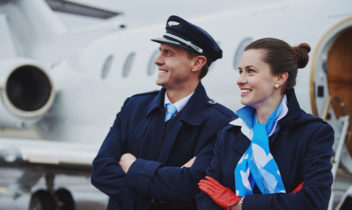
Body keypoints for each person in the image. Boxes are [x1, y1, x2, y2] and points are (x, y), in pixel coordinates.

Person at [91, 15, 235, 210]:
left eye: (168, 53)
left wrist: (132, 167)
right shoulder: (133, 107)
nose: (158, 61)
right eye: (160, 52)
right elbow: (101, 170)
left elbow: (193, 186)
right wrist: (153, 200)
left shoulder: (221, 124)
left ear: (197, 63)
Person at [196, 38, 334, 210]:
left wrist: (238, 205)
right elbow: (206, 193)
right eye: (240, 71)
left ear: (280, 77)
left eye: (250, 71)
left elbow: (313, 201)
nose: (240, 80)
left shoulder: (313, 133)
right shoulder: (230, 132)